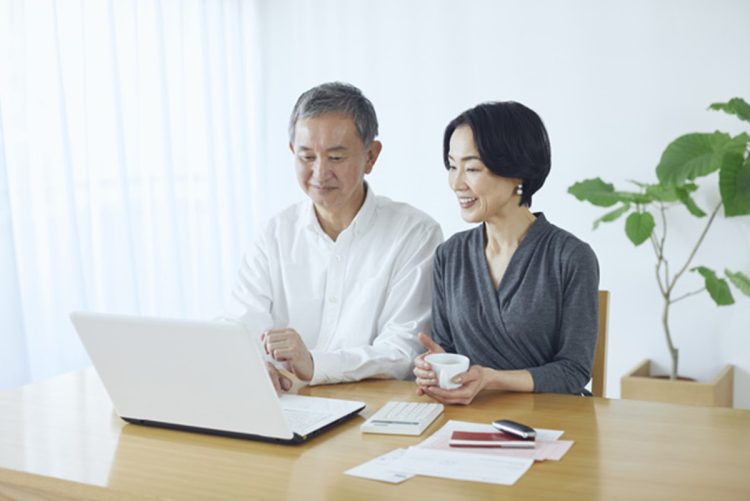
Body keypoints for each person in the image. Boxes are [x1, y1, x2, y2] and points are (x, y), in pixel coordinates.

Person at [228, 82, 443, 392]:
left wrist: (315, 364)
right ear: (292, 152)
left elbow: (402, 351)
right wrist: (251, 363)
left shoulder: (415, 234)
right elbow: (242, 321)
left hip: (370, 411)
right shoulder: (275, 232)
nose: (319, 173)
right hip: (284, 403)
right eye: (306, 157)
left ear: (371, 156)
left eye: (336, 158)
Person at [413, 101, 599, 405]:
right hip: (469, 415)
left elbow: (574, 371)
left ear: (518, 173)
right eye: (452, 166)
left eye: (472, 168)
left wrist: (491, 378)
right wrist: (435, 366)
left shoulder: (570, 257)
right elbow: (447, 349)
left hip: (551, 418)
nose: (456, 183)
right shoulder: (451, 255)